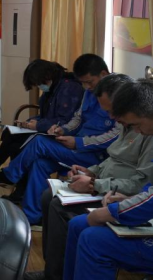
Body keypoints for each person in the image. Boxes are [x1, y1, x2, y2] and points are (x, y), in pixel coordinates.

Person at [29, 78, 153, 280]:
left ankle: (56, 274)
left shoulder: (147, 134)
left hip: (117, 192)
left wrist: (98, 189)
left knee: (88, 235)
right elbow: (115, 159)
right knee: (52, 198)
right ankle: (56, 273)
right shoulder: (131, 126)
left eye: (112, 111)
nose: (111, 116)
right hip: (117, 192)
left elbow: (143, 187)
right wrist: (92, 173)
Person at [1, 69, 121, 225]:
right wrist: (63, 130)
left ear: (103, 74)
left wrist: (78, 142)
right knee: (39, 164)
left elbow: (112, 138)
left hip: (94, 155)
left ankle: (8, 176)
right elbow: (77, 119)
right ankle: (32, 217)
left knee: (39, 142)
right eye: (83, 82)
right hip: (77, 147)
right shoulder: (89, 93)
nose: (86, 86)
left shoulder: (118, 101)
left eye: (89, 82)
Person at [0, 59, 83, 167]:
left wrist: (38, 125)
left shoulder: (70, 89)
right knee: (10, 133)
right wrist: (29, 123)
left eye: (39, 83)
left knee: (16, 145)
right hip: (47, 128)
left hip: (60, 132)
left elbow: (66, 120)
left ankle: (8, 172)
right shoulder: (53, 87)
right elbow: (47, 115)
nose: (39, 86)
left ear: (47, 76)